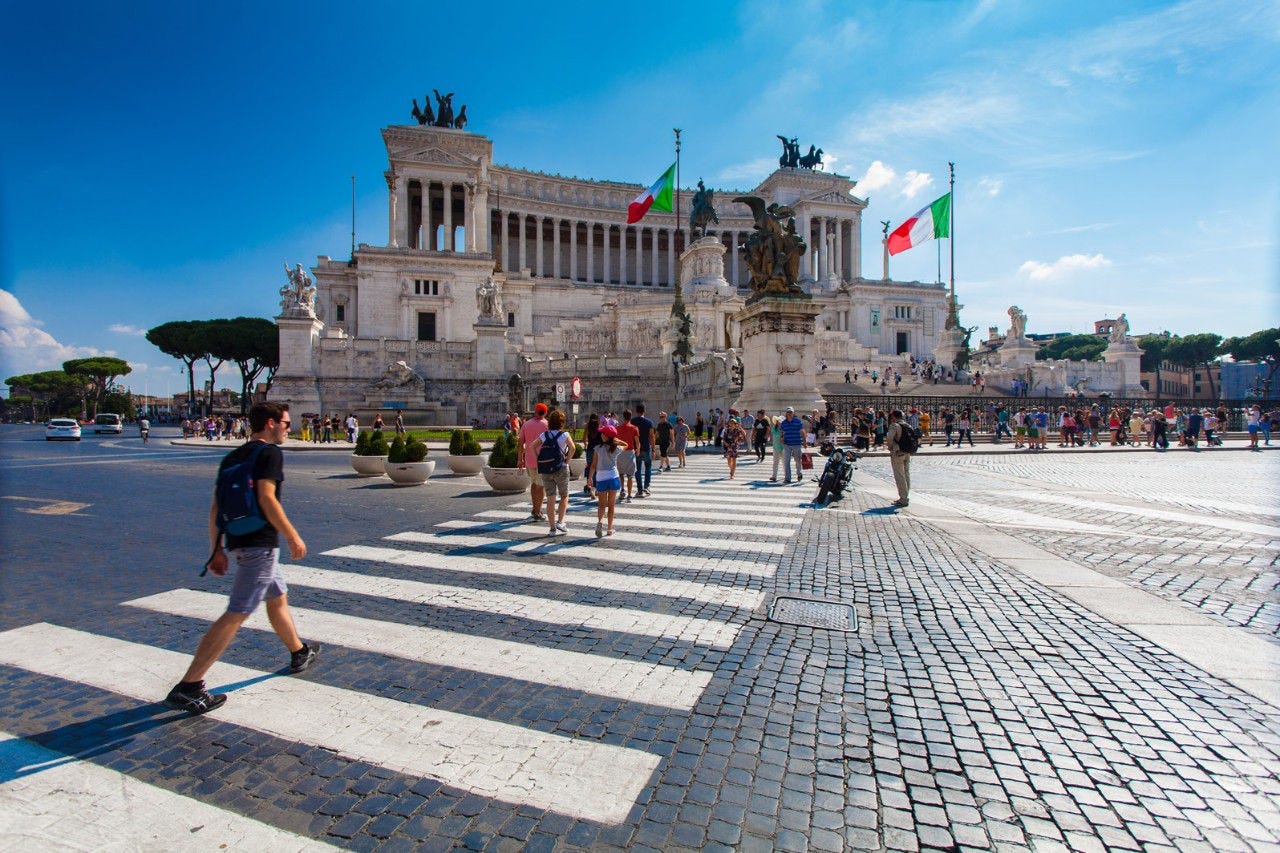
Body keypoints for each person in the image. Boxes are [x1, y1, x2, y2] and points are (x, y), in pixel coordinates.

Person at [162, 402, 318, 716]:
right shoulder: (270, 453)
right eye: (287, 424)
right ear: (272, 423)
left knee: (277, 598)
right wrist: (291, 535)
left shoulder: (233, 456)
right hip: (260, 544)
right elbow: (265, 497)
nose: (290, 428)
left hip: (238, 540)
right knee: (237, 612)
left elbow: (216, 508)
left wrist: (216, 549)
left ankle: (299, 651)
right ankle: (190, 686)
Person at [531, 409, 575, 536]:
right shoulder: (564, 435)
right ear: (562, 422)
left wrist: (538, 460)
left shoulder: (545, 435)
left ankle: (552, 529)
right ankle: (560, 522)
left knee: (550, 498)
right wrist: (567, 460)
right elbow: (572, 448)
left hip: (546, 469)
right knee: (564, 495)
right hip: (561, 468)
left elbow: (532, 446)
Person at [588, 424, 627, 537]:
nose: (601, 435)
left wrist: (590, 478)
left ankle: (600, 522)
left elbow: (593, 466)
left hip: (601, 477)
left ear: (605, 436)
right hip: (613, 476)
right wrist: (616, 440)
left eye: (603, 434)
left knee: (601, 504)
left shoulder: (598, 449)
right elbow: (626, 444)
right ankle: (610, 529)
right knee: (611, 505)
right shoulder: (616, 448)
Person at [518, 403, 550, 522]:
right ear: (545, 413)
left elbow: (520, 443)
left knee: (533, 484)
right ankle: (538, 512)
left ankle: (534, 508)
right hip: (543, 460)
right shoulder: (547, 425)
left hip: (529, 459)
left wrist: (519, 459)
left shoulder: (526, 424)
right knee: (541, 486)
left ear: (535, 411)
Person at [885, 409, 911, 508]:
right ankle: (906, 495)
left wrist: (890, 448)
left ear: (894, 417)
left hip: (898, 452)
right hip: (907, 452)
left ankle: (903, 499)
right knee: (906, 474)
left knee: (900, 476)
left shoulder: (894, 425)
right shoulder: (907, 425)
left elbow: (889, 438)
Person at [615, 409, 640, 502]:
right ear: (631, 417)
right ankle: (629, 495)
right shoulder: (634, 428)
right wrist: (638, 451)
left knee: (621, 473)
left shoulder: (617, 428)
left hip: (620, 452)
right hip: (630, 452)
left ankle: (622, 490)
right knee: (630, 476)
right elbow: (637, 442)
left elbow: (616, 441)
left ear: (623, 416)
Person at [632, 404, 654, 497]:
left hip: (636, 448)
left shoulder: (632, 421)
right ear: (644, 411)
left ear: (636, 411)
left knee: (638, 470)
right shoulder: (649, 422)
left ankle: (640, 490)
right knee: (648, 468)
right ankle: (647, 487)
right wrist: (653, 449)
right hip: (646, 447)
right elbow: (651, 436)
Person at [778, 406, 805, 483]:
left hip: (796, 443)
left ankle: (799, 473)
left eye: (790, 412)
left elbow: (802, 431)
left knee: (798, 460)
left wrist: (805, 442)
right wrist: (781, 438)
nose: (789, 414)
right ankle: (787, 478)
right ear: (786, 413)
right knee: (786, 461)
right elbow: (782, 432)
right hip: (787, 444)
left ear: (793, 413)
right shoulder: (783, 423)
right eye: (788, 412)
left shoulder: (798, 421)